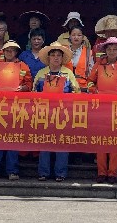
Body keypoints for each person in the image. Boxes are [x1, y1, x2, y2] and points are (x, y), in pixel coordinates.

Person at [33, 42, 81, 182]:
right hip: (44, 114)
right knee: (44, 144)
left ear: (62, 58)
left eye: (58, 55)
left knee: (62, 144)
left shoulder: (68, 73)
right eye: (53, 55)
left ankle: (60, 173)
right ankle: (43, 172)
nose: (55, 58)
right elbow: (34, 92)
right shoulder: (41, 73)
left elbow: (77, 93)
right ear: (48, 58)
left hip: (63, 115)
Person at [87, 37, 117, 182]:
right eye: (109, 49)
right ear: (105, 51)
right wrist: (96, 91)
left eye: (115, 49)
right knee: (100, 141)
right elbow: (89, 83)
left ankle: (112, 173)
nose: (112, 52)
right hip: (100, 109)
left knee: (115, 142)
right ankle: (101, 172)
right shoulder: (98, 65)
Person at [64, 25, 93, 91]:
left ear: (83, 37)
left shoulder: (89, 52)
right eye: (73, 35)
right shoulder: (64, 50)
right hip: (66, 87)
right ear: (70, 36)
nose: (76, 37)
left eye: (79, 35)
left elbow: (91, 72)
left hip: (83, 88)